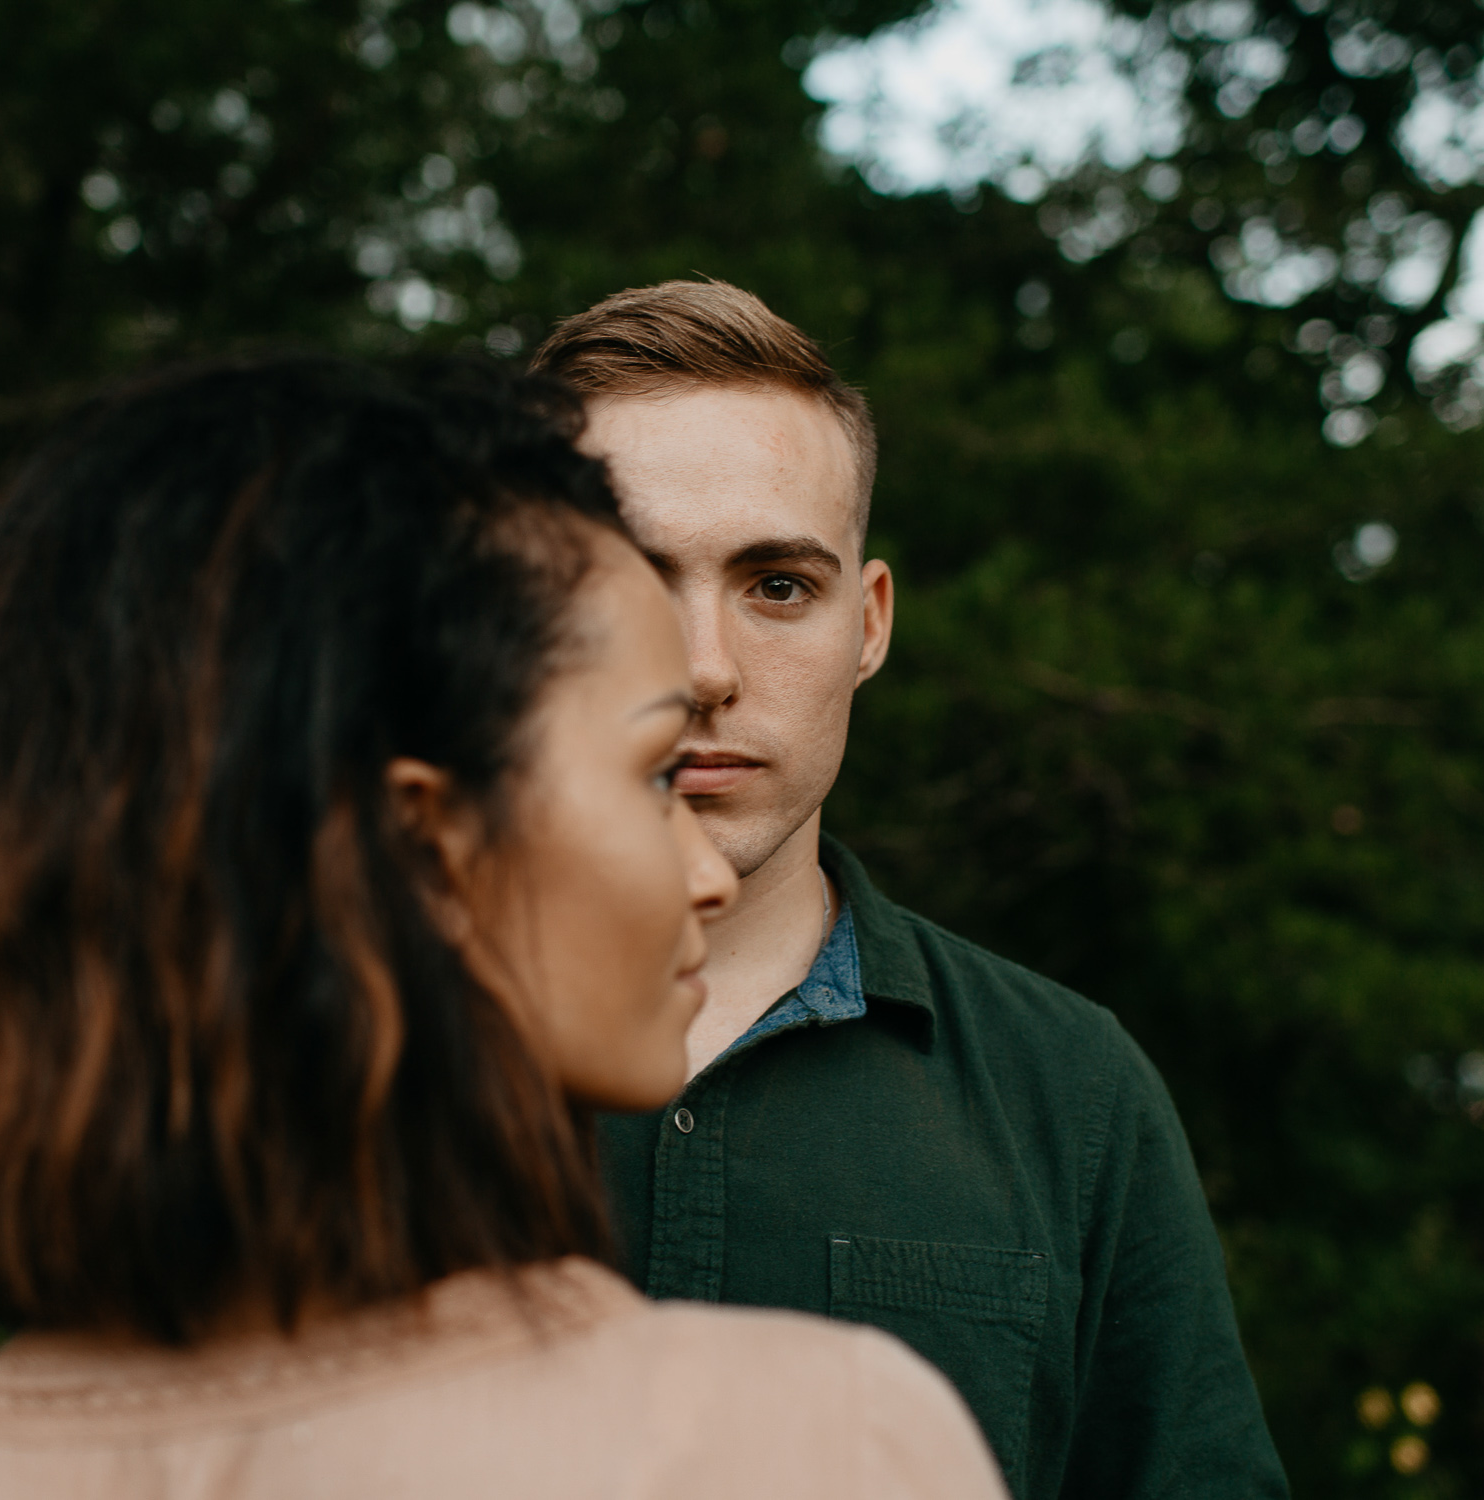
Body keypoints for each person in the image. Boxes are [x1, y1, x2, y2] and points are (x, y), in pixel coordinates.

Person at [0, 354, 1008, 1500]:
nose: (705, 873)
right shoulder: (810, 1446)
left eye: (778, 583)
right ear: (424, 843)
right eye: (649, 773)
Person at [531, 283, 1289, 1500]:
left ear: (868, 624)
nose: (705, 670)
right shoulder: (341, 1059)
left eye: (777, 585)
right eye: (626, 579)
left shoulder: (1072, 1094)